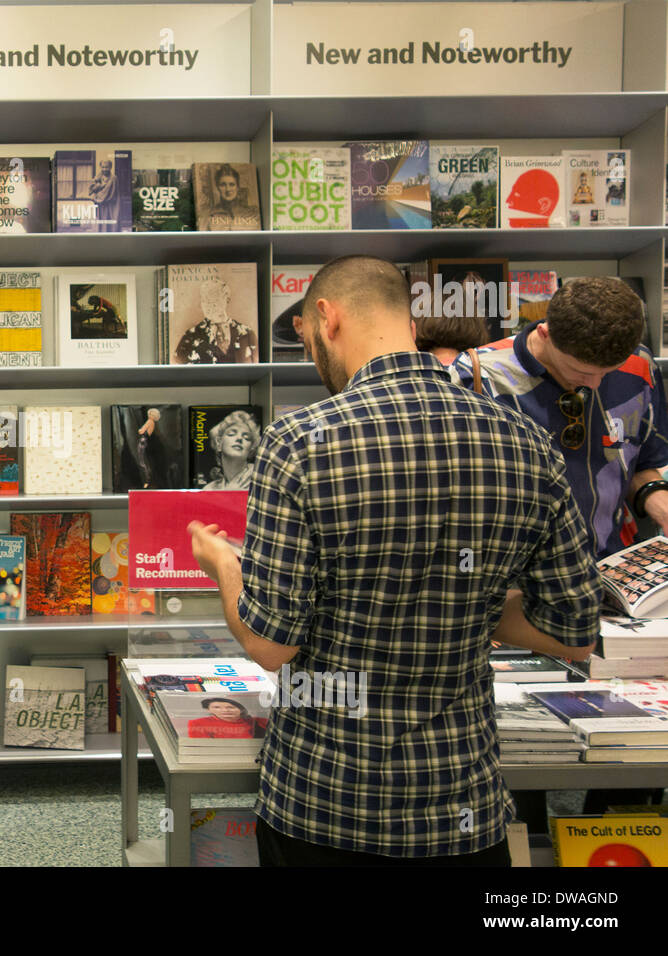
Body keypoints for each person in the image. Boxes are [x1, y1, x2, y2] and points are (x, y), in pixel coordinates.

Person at [189, 255, 602, 866]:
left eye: (306, 340)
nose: (312, 359)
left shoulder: (299, 443)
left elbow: (270, 646)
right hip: (461, 805)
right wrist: (464, 600)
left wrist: (222, 561)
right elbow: (573, 633)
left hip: (325, 801)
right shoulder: (526, 444)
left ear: (327, 318)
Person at [451, 275, 668, 816]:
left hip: (610, 592)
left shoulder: (639, 368)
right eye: (578, 372)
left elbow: (646, 461)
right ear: (544, 333)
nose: (594, 385)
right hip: (512, 602)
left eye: (605, 374)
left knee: (632, 757)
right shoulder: (476, 377)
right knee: (521, 755)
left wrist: (659, 499)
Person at [201, 409, 259, 490]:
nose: (239, 438)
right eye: (232, 434)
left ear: (251, 449)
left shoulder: (259, 481)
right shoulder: (210, 489)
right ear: (219, 443)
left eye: (246, 437)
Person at [187, 698, 267, 739]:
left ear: (242, 709)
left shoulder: (257, 721)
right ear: (209, 709)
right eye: (217, 707)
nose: (225, 711)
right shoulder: (197, 723)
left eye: (231, 707)